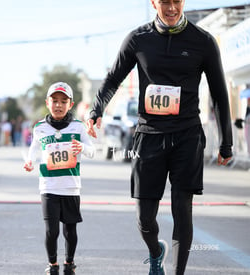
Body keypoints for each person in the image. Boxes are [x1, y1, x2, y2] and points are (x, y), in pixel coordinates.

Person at [86, 1, 233, 274]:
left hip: (187, 134)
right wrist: (97, 109)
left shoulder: (203, 42)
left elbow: (220, 94)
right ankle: (156, 251)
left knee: (182, 209)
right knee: (144, 218)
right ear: (154, 3)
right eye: (165, 1)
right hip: (149, 135)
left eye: (176, 1)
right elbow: (112, 79)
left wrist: (226, 142)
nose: (171, 7)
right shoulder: (138, 39)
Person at [23, 82, 95, 275]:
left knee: (70, 231)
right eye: (54, 101)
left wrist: (82, 147)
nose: (58, 105)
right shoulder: (39, 128)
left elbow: (92, 151)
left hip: (71, 187)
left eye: (63, 101)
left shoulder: (78, 127)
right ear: (48, 102)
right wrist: (30, 161)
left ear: (70, 104)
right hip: (48, 186)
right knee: (51, 231)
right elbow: (34, 148)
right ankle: (52, 265)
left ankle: (69, 263)